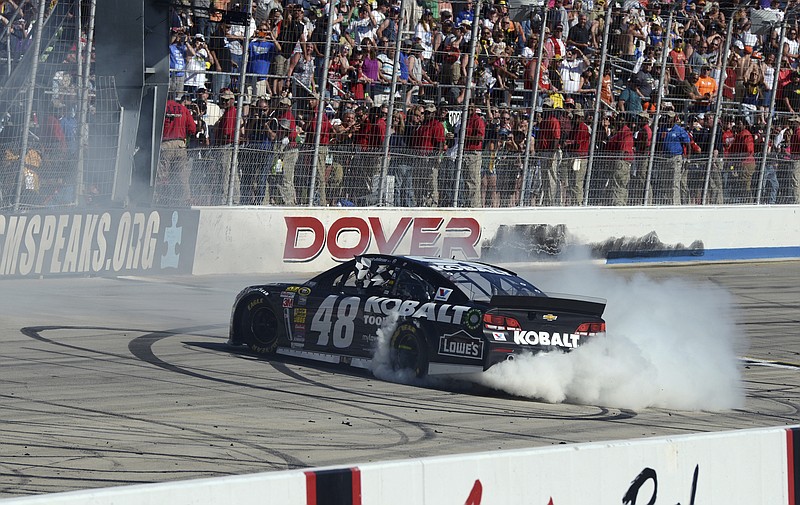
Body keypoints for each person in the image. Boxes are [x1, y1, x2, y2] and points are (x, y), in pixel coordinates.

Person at [158, 96, 197, 206]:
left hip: (165, 144)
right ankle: (184, 199)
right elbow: (192, 128)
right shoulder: (183, 109)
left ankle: (161, 199)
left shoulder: (162, 107)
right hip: (180, 144)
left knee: (162, 175)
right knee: (180, 175)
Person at [658, 111, 691, 205]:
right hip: (665, 158)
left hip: (676, 158)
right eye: (667, 117)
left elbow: (688, 144)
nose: (668, 119)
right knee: (665, 183)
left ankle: (675, 204)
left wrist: (687, 158)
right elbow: (659, 143)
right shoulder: (663, 129)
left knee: (674, 183)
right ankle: (667, 202)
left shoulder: (679, 130)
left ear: (674, 118)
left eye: (670, 117)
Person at [214, 89, 240, 204]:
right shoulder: (230, 111)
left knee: (226, 174)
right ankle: (235, 198)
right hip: (229, 145)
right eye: (222, 100)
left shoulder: (230, 113)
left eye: (226, 100)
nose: (223, 102)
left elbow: (227, 132)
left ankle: (225, 199)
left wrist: (219, 143)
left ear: (232, 100)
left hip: (226, 146)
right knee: (232, 173)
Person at [561, 108, 589, 206]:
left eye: (578, 117)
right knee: (572, 181)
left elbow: (577, 143)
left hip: (579, 158)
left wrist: (568, 143)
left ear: (581, 118)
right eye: (575, 117)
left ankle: (578, 202)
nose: (576, 119)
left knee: (577, 181)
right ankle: (573, 201)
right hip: (574, 156)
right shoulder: (574, 128)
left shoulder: (583, 128)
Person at [537, 99, 561, 206]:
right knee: (545, 177)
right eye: (544, 106)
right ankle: (547, 199)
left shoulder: (553, 121)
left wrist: (552, 154)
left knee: (551, 176)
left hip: (550, 152)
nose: (545, 109)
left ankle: (552, 201)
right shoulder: (543, 122)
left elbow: (556, 138)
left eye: (547, 107)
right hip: (544, 152)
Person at [606, 114, 634, 206]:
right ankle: (619, 203)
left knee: (619, 184)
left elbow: (623, 150)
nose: (620, 122)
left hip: (622, 161)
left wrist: (618, 161)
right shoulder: (620, 132)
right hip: (619, 160)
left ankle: (619, 204)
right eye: (619, 120)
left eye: (622, 120)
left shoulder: (626, 132)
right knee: (618, 184)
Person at [463, 104, 485, 207]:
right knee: (467, 181)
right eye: (468, 107)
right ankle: (469, 204)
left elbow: (480, 138)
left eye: (472, 107)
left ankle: (474, 206)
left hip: (473, 153)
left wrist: (465, 137)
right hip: (466, 152)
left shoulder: (477, 120)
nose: (470, 109)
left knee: (473, 181)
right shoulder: (466, 119)